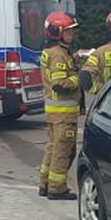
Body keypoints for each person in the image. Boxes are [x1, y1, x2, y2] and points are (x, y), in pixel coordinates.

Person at [39, 11, 81, 200]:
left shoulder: (53, 52)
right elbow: (60, 83)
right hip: (64, 114)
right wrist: (78, 78)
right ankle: (57, 188)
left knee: (52, 149)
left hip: (54, 113)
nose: (71, 35)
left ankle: (45, 184)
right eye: (68, 31)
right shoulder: (58, 55)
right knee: (63, 152)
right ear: (58, 33)